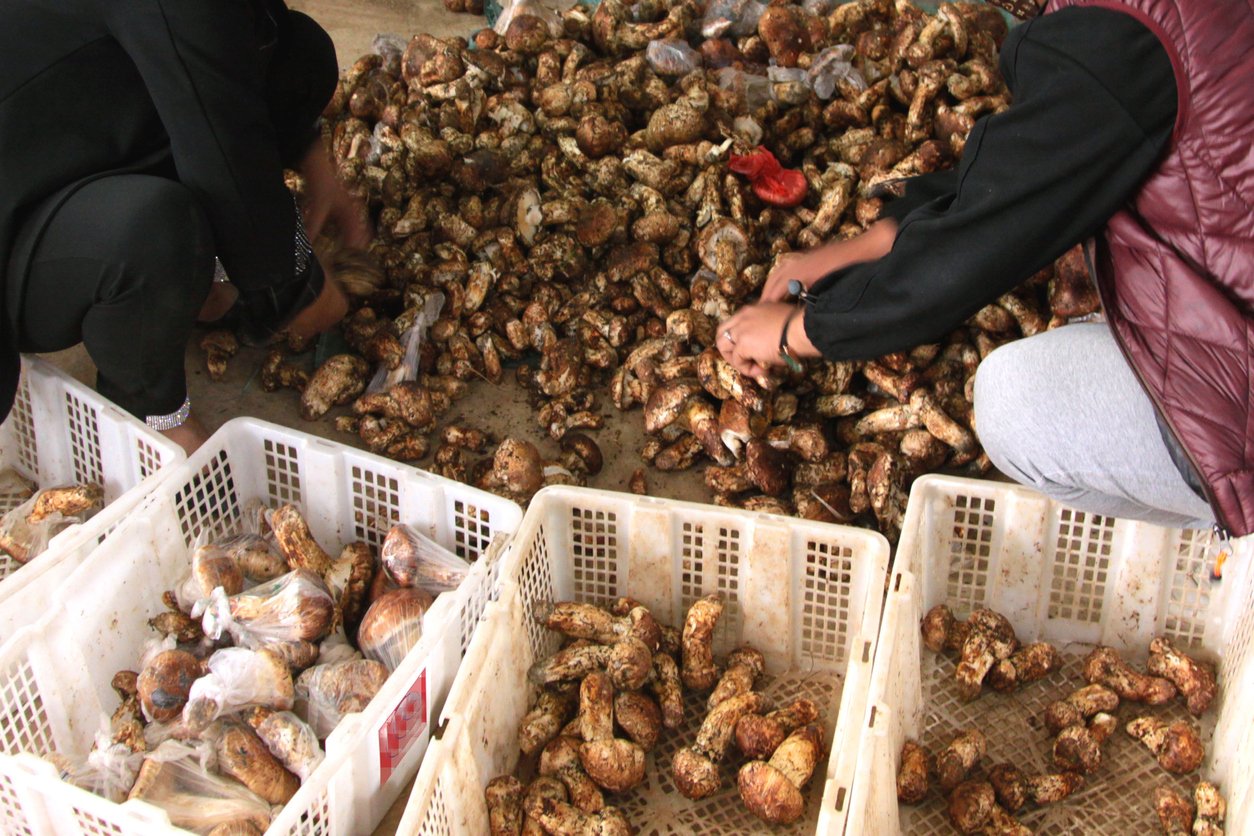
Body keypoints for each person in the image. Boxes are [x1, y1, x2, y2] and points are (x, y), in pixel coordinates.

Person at [716, 0, 1254, 538]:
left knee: (1013, 402)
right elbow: (1028, 162)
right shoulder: (1142, 20)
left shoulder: (1123, 41)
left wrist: (797, 331)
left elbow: (969, 257)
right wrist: (869, 242)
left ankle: (1235, 532)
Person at [0, 0, 368, 455]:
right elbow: (224, 144)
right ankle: (148, 411)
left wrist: (314, 162)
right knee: (159, 231)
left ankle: (192, 285)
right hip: (18, 220)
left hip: (76, 122)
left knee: (300, 53)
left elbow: (227, 48)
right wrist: (295, 287)